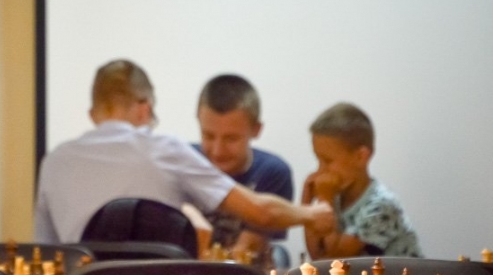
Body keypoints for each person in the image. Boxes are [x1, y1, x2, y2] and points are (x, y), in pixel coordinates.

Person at [34, 59, 334, 245]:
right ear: (145, 108)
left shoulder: (54, 161)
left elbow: (46, 249)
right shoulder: (163, 149)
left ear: (93, 114)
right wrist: (311, 214)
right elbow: (260, 212)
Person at [301, 102, 422, 259]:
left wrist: (325, 201)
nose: (320, 170)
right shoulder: (336, 197)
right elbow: (317, 256)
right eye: (318, 160)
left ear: (360, 157)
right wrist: (307, 205)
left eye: (327, 161)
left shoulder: (381, 205)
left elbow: (333, 261)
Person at [194, 74, 293, 255]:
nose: (217, 150)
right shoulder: (183, 163)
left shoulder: (272, 172)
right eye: (208, 136)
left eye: (231, 138)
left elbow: (245, 251)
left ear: (256, 130)